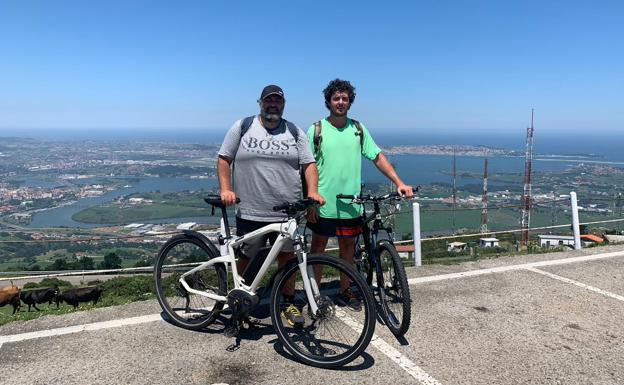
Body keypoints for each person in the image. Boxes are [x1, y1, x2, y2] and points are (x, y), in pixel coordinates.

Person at [217, 84, 324, 326]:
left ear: (283, 105)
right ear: (260, 103)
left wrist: (313, 192)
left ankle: (286, 302)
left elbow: (309, 165)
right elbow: (224, 159)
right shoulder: (242, 126)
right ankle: (240, 303)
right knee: (247, 257)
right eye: (269, 100)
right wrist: (225, 189)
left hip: (287, 212)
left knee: (287, 258)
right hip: (251, 208)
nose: (273, 104)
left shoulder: (295, 132)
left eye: (277, 101)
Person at [306, 79, 413, 310]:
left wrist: (399, 182)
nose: (341, 102)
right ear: (328, 101)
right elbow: (305, 166)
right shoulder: (316, 130)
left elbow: (377, 156)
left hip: (351, 204)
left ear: (350, 102)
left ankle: (346, 290)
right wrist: (309, 201)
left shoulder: (358, 129)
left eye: (345, 98)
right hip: (322, 203)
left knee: (348, 250)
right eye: (336, 98)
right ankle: (315, 296)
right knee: (318, 250)